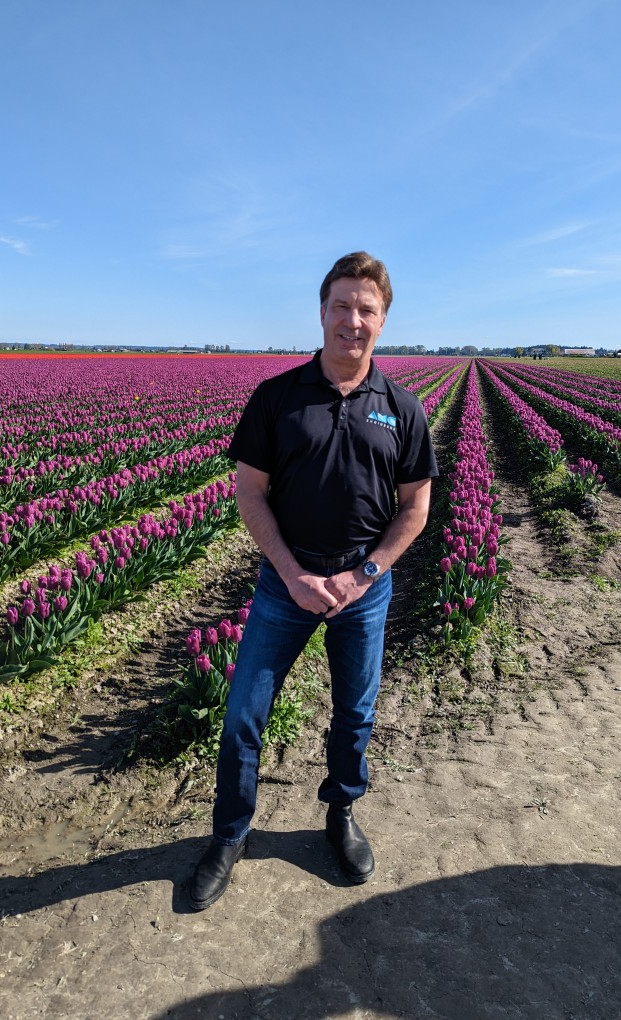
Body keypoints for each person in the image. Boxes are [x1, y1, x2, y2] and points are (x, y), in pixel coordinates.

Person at [190, 251, 439, 910]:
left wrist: (365, 574)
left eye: (366, 309)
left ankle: (340, 815)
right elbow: (250, 495)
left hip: (364, 591)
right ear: (322, 311)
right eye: (341, 306)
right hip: (284, 586)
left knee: (354, 717)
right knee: (244, 714)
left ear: (382, 322)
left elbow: (416, 507)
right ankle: (229, 834)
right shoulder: (277, 398)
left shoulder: (403, 409)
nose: (351, 320)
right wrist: (293, 573)